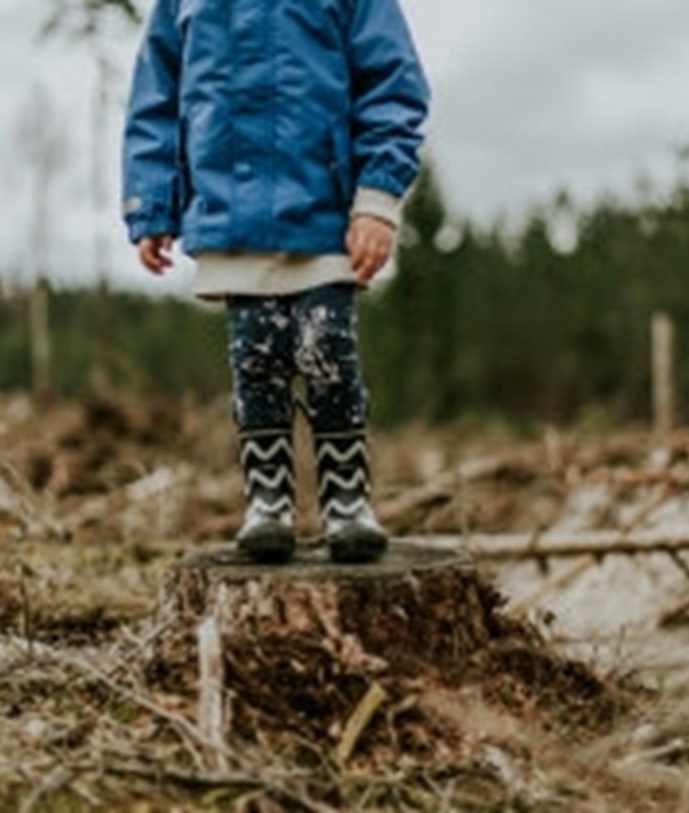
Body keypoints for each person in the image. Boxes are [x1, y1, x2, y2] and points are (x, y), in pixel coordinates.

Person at [121, 0, 429, 564]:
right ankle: (268, 502)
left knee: (327, 350)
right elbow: (155, 98)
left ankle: (347, 501)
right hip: (229, 213)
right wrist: (152, 203)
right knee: (256, 360)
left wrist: (378, 197)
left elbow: (392, 81)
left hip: (325, 212)